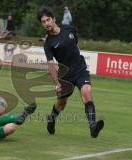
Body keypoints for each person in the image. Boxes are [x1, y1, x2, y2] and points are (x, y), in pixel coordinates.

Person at [37, 7, 104, 138]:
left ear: (54, 19)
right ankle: (52, 118)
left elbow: (75, 43)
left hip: (80, 69)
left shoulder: (69, 29)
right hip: (65, 75)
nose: (46, 23)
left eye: (48, 20)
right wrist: (57, 82)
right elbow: (51, 66)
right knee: (61, 104)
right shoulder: (48, 44)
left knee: (86, 92)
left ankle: (93, 127)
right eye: (43, 22)